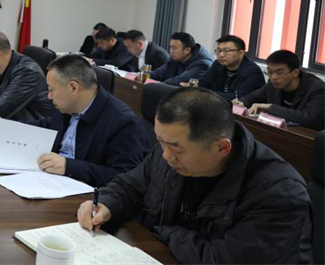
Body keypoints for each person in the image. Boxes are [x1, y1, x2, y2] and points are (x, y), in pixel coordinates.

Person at [77, 88, 312, 265]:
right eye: (160, 142)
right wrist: (105, 203)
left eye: (175, 148)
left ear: (222, 148)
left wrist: (164, 232)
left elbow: (220, 259)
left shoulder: (280, 193)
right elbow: (131, 185)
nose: (165, 155)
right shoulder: (169, 150)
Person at [35, 55, 148, 187]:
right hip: (50, 180)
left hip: (84, 192)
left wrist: (69, 166)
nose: (49, 96)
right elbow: (48, 125)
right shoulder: (67, 106)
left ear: (73, 88)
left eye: (51, 90)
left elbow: (125, 178)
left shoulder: (124, 123)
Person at [237, 50, 325, 130]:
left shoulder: (317, 88)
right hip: (279, 133)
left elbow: (310, 118)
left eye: (280, 73)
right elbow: (253, 97)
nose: (273, 77)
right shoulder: (273, 84)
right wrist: (242, 102)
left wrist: (270, 107)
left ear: (295, 72)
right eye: (270, 72)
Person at [192, 35, 264, 101]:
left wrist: (206, 93)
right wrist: (194, 86)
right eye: (219, 50)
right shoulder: (218, 64)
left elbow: (239, 97)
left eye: (227, 51)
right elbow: (203, 83)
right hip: (218, 104)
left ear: (241, 53)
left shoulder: (252, 72)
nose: (221, 55)